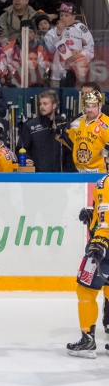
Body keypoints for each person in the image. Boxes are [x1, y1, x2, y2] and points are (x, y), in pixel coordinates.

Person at [70, 141, 109, 357]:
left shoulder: (105, 182)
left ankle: (88, 340)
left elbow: (106, 219)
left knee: (85, 289)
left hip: (104, 244)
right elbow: (102, 213)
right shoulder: (104, 182)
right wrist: (91, 213)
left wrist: (99, 241)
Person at [18, 90, 74, 173]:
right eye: (40, 104)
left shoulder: (64, 126)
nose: (42, 107)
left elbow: (71, 152)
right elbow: (20, 148)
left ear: (54, 105)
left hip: (61, 178)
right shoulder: (30, 126)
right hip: (38, 176)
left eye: (45, 104)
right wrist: (26, 158)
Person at [45, 2, 93, 88]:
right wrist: (58, 33)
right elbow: (50, 48)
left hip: (77, 71)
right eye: (61, 15)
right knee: (56, 95)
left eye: (66, 16)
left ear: (73, 16)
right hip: (58, 70)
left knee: (74, 95)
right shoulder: (54, 30)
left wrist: (81, 52)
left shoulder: (82, 29)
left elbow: (90, 49)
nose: (63, 18)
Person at [61, 91, 109, 174]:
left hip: (100, 173)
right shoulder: (77, 122)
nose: (90, 110)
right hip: (79, 172)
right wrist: (61, 129)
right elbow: (70, 142)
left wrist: (101, 155)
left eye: (94, 106)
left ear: (100, 106)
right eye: (88, 106)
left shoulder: (106, 124)